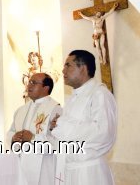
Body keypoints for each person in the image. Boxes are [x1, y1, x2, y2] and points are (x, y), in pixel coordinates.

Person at [50, 50, 117, 185]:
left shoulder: (99, 94)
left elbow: (103, 132)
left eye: (68, 65)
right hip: (69, 170)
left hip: (89, 172)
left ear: (84, 68)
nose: (63, 71)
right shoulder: (72, 99)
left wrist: (61, 124)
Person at [6, 73, 62, 185]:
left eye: (34, 83)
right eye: (29, 82)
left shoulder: (55, 110)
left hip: (44, 167)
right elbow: (10, 132)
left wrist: (33, 138)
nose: (29, 85)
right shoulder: (21, 110)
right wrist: (13, 137)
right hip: (21, 164)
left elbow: (58, 142)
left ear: (46, 88)